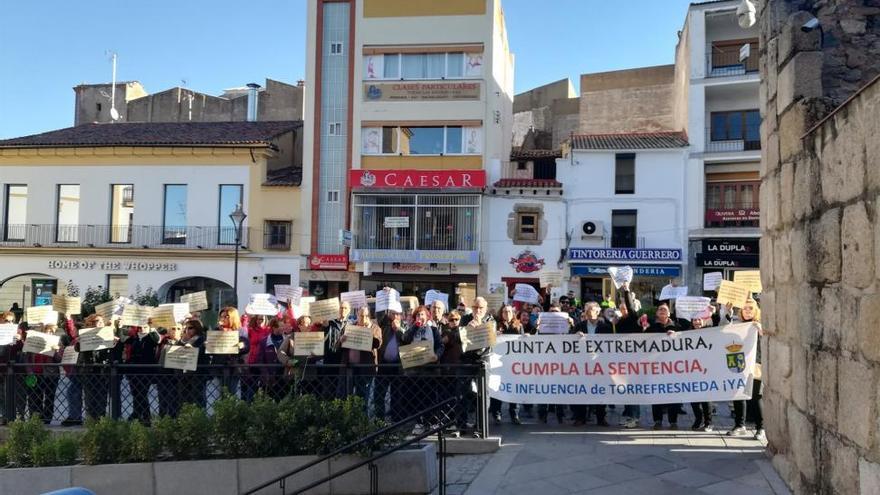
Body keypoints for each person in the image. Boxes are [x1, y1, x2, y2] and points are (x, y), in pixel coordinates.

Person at [723, 299, 764, 440]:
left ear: (756, 310)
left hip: (755, 365)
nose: (747, 311)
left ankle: (761, 428)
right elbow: (723, 330)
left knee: (755, 397)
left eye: (750, 308)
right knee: (738, 395)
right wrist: (728, 312)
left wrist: (760, 329)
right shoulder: (737, 324)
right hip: (738, 364)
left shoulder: (759, 325)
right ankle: (740, 425)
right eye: (745, 308)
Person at [571, 302, 612, 427]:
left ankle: (601, 418)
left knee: (600, 390)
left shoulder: (606, 327)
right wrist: (575, 336)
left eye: (591, 309)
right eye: (587, 310)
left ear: (598, 312)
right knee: (582, 390)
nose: (589, 312)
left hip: (600, 364)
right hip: (583, 364)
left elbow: (612, 345)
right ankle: (580, 417)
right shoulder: (579, 326)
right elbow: (568, 343)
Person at [402, 305, 444, 431]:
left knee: (430, 398)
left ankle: (430, 422)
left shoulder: (433, 330)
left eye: (422, 314)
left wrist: (436, 356)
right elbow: (405, 339)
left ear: (427, 316)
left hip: (430, 370)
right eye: (418, 315)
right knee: (416, 398)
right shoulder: (411, 328)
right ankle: (419, 423)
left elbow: (440, 346)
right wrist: (416, 326)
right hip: (414, 370)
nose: (420, 317)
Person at [536, 304, 574, 424]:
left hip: (560, 364)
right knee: (544, 390)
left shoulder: (564, 326)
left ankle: (560, 414)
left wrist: (571, 325)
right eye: (551, 312)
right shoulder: (542, 326)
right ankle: (542, 415)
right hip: (545, 364)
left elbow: (573, 338)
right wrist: (536, 326)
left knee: (560, 390)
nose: (553, 314)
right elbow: (533, 338)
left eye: (556, 312)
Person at [647, 303, 681, 429]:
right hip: (655, 366)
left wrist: (676, 335)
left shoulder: (677, 327)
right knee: (656, 393)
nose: (662, 311)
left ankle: (673, 421)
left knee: (673, 394)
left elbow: (687, 338)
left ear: (669, 313)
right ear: (656, 313)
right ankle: (657, 420)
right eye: (660, 309)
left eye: (665, 309)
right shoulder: (651, 327)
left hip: (673, 367)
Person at [340, 306, 382, 406]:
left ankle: (362, 420)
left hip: (365, 369)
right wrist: (341, 340)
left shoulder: (374, 328)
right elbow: (339, 346)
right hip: (349, 368)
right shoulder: (350, 327)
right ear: (357, 316)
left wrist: (368, 332)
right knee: (347, 398)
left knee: (362, 398)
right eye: (361, 315)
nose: (363, 318)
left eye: (366, 316)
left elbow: (378, 344)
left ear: (369, 317)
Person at [489, 305, 523, 425]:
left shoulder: (519, 326)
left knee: (513, 389)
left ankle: (514, 413)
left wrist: (526, 337)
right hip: (498, 363)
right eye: (504, 312)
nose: (507, 313)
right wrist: (495, 335)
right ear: (501, 313)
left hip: (513, 363)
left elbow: (523, 342)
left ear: (513, 313)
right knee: (497, 388)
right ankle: (496, 413)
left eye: (509, 311)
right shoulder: (495, 325)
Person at [24, 322, 63, 424]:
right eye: (48, 331)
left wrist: (56, 352)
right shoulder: (35, 341)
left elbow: (60, 360)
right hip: (36, 374)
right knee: (35, 397)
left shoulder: (57, 344)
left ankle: (47, 419)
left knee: (50, 397)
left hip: (51, 375)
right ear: (44, 332)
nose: (50, 333)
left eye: (52, 332)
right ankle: (36, 418)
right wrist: (29, 372)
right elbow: (27, 358)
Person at [124, 322, 161, 424]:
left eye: (144, 327)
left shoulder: (150, 338)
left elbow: (157, 340)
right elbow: (124, 340)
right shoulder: (135, 338)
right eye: (140, 327)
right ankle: (137, 413)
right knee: (135, 393)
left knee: (142, 393)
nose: (142, 329)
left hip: (146, 370)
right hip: (133, 370)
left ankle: (146, 416)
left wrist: (152, 329)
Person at [375, 308, 406, 421]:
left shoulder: (404, 327)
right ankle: (379, 420)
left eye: (397, 314)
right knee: (379, 394)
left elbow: (406, 338)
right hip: (384, 365)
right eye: (392, 313)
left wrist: (398, 329)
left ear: (401, 316)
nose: (395, 316)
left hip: (398, 366)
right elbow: (380, 316)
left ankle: (396, 421)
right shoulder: (384, 325)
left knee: (396, 395)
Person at [212, 307, 250, 397]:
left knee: (232, 394)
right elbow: (211, 348)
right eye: (221, 317)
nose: (223, 319)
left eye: (226, 317)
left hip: (234, 368)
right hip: (219, 367)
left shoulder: (240, 331)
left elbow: (246, 346)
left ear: (233, 317)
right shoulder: (216, 330)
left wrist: (241, 345)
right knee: (217, 395)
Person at [253, 317, 287, 401]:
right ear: (274, 327)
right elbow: (260, 360)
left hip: (284, 378)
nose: (283, 328)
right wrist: (266, 374)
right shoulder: (264, 341)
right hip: (269, 379)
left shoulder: (288, 340)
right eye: (281, 326)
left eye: (283, 326)